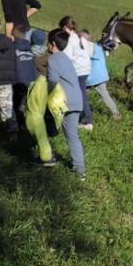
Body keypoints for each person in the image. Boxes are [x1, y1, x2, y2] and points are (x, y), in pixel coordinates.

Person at [45, 28, 87, 180]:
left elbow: (52, 82)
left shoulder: (52, 59)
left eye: (48, 42)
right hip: (76, 100)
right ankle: (80, 171)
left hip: (62, 101)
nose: (47, 45)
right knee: (72, 136)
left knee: (41, 125)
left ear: (53, 44)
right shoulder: (66, 58)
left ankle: (45, 157)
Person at [59, 16, 95, 130]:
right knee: (80, 93)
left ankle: (87, 121)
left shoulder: (70, 39)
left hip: (78, 71)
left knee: (80, 95)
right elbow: (89, 52)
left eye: (62, 29)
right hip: (85, 69)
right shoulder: (81, 37)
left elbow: (66, 56)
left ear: (65, 27)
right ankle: (80, 116)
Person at [81, 29, 120, 120]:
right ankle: (115, 113)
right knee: (104, 94)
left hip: (94, 77)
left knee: (80, 93)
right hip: (100, 76)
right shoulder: (95, 46)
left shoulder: (89, 47)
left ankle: (78, 112)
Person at [11, 24, 40, 124]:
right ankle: (23, 122)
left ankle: (13, 126)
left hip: (18, 81)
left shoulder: (12, 48)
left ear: (12, 36)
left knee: (12, 104)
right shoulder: (29, 48)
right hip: (31, 81)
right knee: (21, 102)